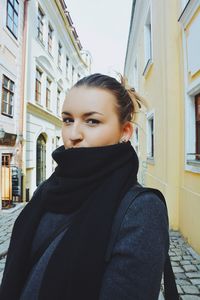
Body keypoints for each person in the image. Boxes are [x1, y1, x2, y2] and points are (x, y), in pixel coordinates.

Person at [0, 73, 171, 300]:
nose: (73, 134)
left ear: (125, 132)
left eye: (92, 121)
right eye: (68, 120)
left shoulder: (141, 209)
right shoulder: (48, 190)